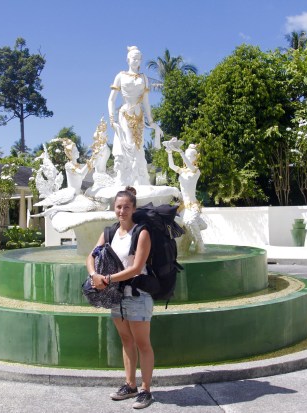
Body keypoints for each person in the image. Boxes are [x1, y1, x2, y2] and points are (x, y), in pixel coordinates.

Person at [86, 186, 155, 409]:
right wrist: (94, 275)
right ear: (114, 208)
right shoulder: (110, 232)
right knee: (126, 340)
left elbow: (136, 268)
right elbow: (91, 256)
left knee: (143, 344)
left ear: (134, 208)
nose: (122, 211)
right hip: (116, 295)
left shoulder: (141, 233)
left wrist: (106, 278)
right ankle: (130, 385)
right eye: (118, 207)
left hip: (137, 294)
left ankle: (146, 390)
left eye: (126, 207)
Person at [108, 46, 163, 186]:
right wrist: (112, 119)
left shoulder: (143, 78)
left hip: (139, 115)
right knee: (129, 144)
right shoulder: (121, 76)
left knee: (139, 145)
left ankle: (140, 177)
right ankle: (127, 178)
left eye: (139, 59)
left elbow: (146, 102)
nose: (136, 61)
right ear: (128, 59)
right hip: (125, 113)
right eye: (134, 58)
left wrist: (151, 121)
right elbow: (111, 100)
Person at [165, 141, 207, 253]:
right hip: (183, 206)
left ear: (195, 157)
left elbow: (190, 166)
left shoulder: (196, 171)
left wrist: (181, 152)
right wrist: (169, 153)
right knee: (183, 223)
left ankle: (200, 246)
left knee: (189, 222)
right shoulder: (182, 171)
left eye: (190, 156)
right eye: (186, 156)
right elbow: (171, 166)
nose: (187, 158)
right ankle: (200, 224)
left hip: (193, 205)